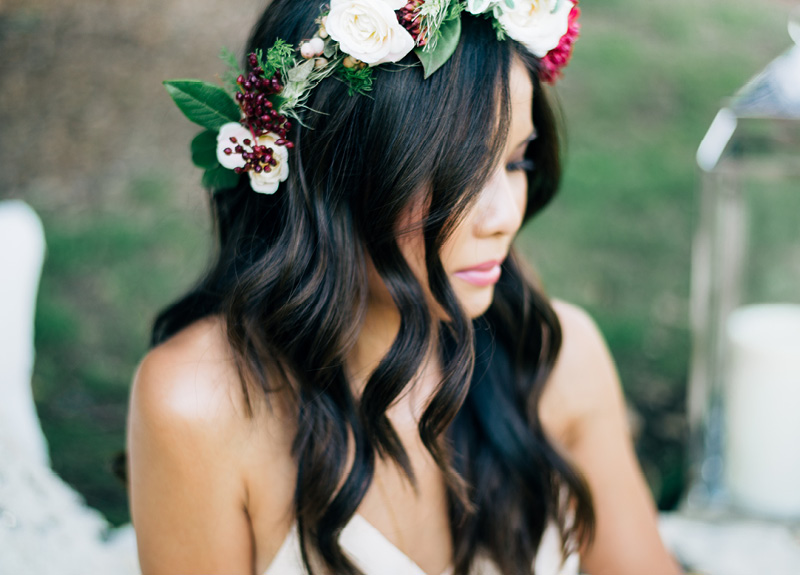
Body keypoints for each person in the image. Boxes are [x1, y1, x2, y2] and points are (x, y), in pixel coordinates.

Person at [126, 1, 683, 574]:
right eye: (460, 173)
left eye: (517, 163)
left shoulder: (555, 358)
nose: (504, 217)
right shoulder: (199, 406)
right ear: (336, 173)